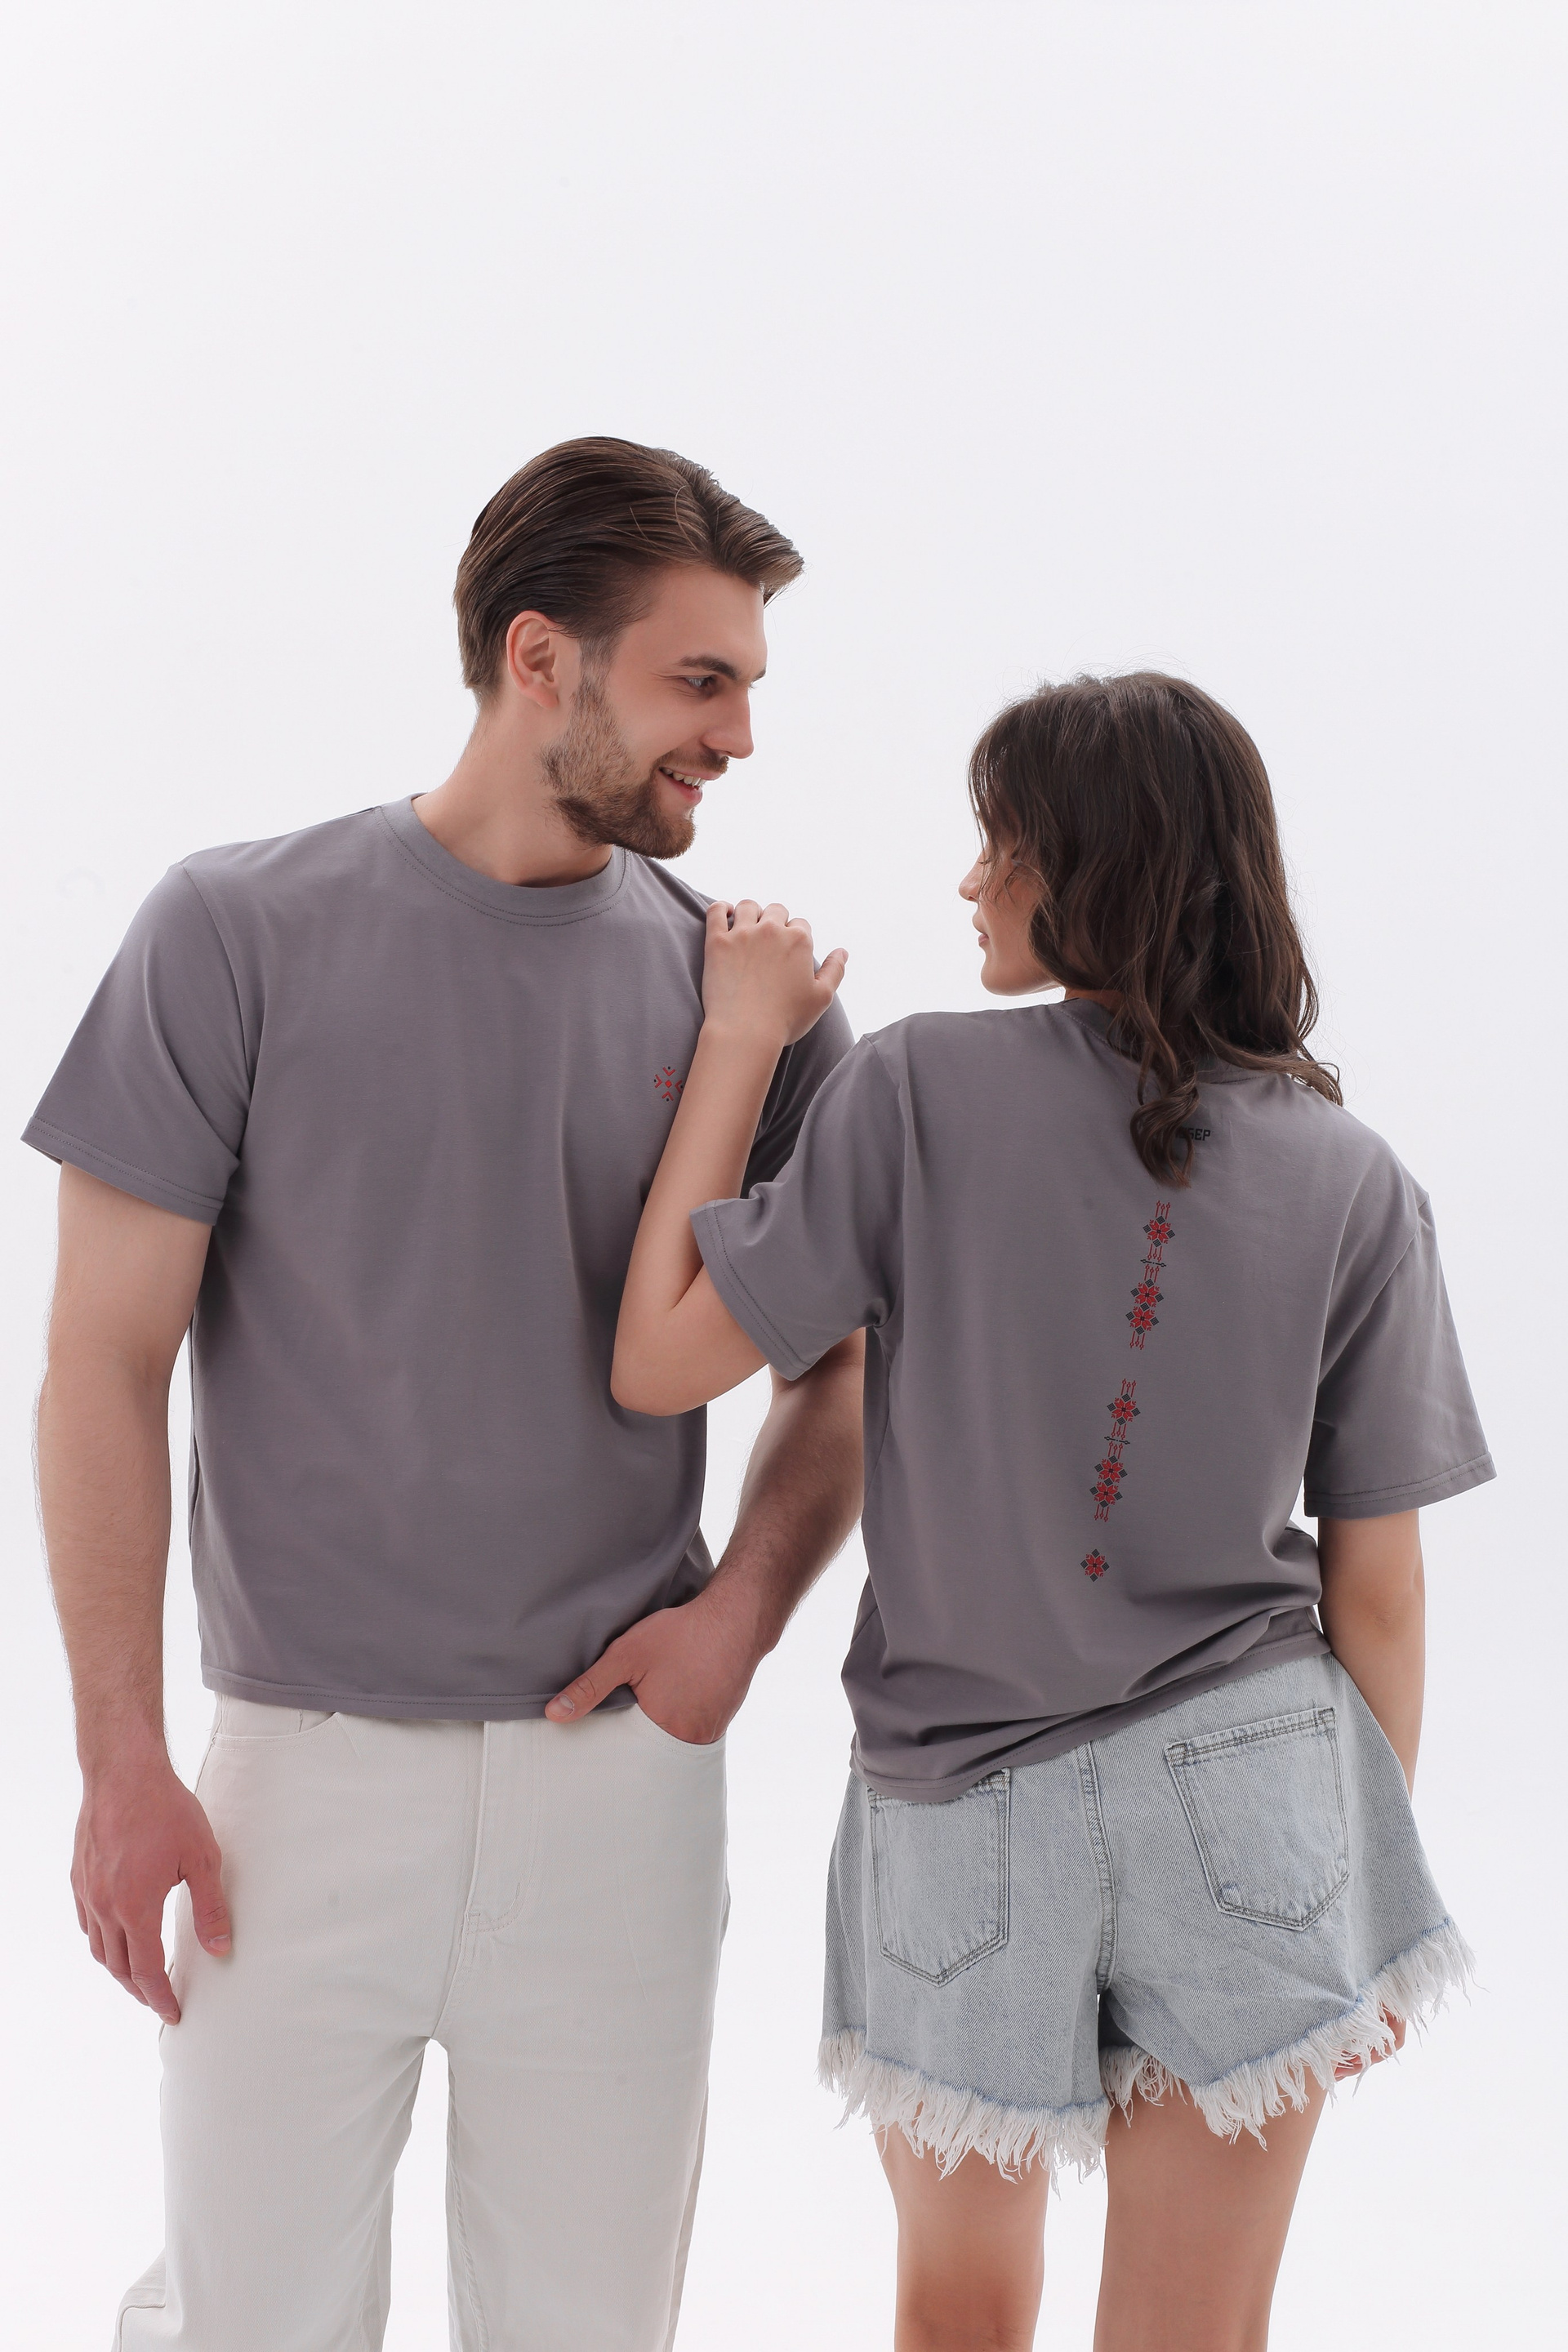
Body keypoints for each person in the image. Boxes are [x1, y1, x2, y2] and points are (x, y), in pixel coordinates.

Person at [27, 437, 865, 2352]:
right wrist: (119, 1755)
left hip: (616, 1792)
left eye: (749, 686)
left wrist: (744, 1612)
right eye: (702, 680)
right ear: (540, 657)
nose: (738, 736)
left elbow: (846, 1368)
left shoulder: (749, 1009)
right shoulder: (232, 932)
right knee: (250, 2325)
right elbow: (102, 1364)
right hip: (295, 1785)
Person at [601, 672, 1492, 2352]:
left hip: (963, 1796)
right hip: (1256, 1784)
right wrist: (1352, 1903)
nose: (970, 881)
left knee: (957, 2313)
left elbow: (657, 1359)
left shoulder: (915, 1091)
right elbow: (1382, 1587)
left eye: (997, 843)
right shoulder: (1354, 1175)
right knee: (1195, 2331)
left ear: (1088, 863)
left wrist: (739, 1040)